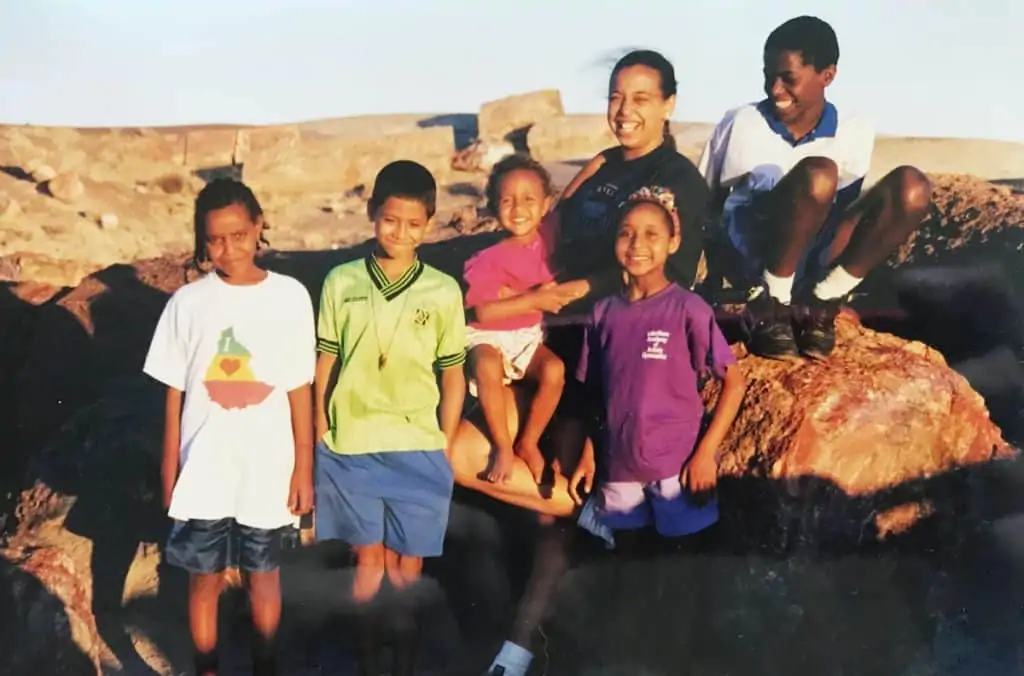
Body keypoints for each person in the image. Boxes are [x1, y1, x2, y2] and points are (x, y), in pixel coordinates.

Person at [447, 49, 712, 676]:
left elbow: (667, 286)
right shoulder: (598, 168)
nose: (624, 111)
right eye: (617, 97)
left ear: (669, 104)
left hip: (607, 352)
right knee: (457, 451)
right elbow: (543, 226)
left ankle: (514, 655)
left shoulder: (680, 181)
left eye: (641, 99)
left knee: (552, 515)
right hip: (540, 341)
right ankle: (589, 522)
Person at [144, 178, 316, 676]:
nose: (228, 249)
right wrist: (168, 468)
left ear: (258, 226)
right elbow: (173, 394)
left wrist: (303, 465)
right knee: (204, 580)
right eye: (215, 240)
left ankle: (266, 667)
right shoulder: (187, 303)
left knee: (263, 577)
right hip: (204, 469)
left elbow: (297, 387)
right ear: (202, 241)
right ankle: (207, 670)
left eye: (239, 235)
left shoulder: (290, 297)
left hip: (267, 469)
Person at [698, 15, 932, 361]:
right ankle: (771, 305)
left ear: (828, 76)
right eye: (768, 75)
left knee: (913, 188)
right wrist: (706, 284)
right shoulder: (741, 122)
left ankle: (822, 302)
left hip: (811, 255)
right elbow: (705, 204)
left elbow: (843, 213)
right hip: (753, 253)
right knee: (819, 176)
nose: (774, 89)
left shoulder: (854, 130)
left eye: (788, 78)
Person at [313, 160, 467, 676]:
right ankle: (364, 665)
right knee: (367, 565)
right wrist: (320, 428)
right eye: (389, 220)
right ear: (371, 214)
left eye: (413, 223)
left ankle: (403, 666)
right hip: (353, 441)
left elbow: (452, 374)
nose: (400, 233)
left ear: (430, 223)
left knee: (407, 572)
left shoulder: (444, 292)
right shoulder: (341, 281)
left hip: (418, 445)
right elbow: (325, 362)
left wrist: (442, 443)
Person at [568, 187, 746, 552]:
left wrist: (704, 456)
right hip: (618, 466)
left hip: (676, 467)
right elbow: (597, 394)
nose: (637, 244)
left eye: (652, 234)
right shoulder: (602, 312)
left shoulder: (687, 309)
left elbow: (734, 382)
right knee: (630, 559)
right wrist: (589, 452)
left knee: (685, 562)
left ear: (673, 242)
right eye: (626, 232)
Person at [463, 154, 568, 487]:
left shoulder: (549, 234)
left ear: (545, 204)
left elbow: (570, 197)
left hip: (526, 335)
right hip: (486, 336)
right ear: (494, 207)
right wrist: (535, 299)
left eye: (529, 200)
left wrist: (597, 163)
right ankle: (503, 446)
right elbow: (483, 313)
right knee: (487, 366)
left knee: (554, 371)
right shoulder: (485, 260)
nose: (519, 209)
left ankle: (529, 440)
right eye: (507, 201)